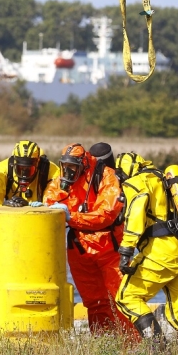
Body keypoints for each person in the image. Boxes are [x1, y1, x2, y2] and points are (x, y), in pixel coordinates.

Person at [41, 142, 135, 336]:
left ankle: (132, 346)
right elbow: (49, 201)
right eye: (65, 167)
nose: (68, 172)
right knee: (94, 302)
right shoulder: (63, 178)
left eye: (73, 168)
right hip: (80, 250)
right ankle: (103, 343)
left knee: (122, 299)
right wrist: (63, 190)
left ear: (83, 164)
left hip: (109, 249)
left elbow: (105, 214)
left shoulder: (106, 176)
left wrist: (72, 217)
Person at [113, 152, 178, 344]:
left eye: (118, 174)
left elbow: (135, 216)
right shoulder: (164, 179)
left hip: (159, 253)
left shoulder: (136, 182)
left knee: (127, 297)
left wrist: (126, 251)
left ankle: (157, 346)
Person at [0, 139, 60, 206]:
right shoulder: (3, 169)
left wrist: (29, 206)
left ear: (37, 163)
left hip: (40, 216)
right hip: (11, 216)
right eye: (20, 169)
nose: (24, 174)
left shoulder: (51, 171)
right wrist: (5, 206)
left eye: (29, 169)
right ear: (14, 163)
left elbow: (53, 204)